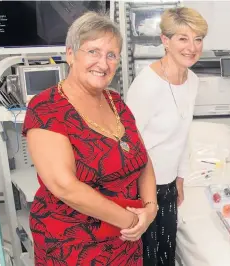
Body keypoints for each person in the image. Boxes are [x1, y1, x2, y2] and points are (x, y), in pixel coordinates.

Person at [22, 12, 158, 265]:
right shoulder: (46, 108)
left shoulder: (116, 101)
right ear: (71, 54)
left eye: (111, 55)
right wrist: (132, 221)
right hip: (72, 244)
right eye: (93, 51)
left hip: (126, 240)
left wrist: (151, 208)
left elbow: (143, 159)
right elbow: (66, 187)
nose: (103, 63)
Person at [126, 7, 208, 266]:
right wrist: (147, 195)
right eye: (183, 38)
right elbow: (129, 144)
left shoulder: (192, 80)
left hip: (169, 183)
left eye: (198, 39)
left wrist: (180, 178)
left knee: (166, 253)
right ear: (165, 40)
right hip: (142, 185)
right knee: (147, 256)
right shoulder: (147, 84)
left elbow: (183, 134)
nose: (192, 47)